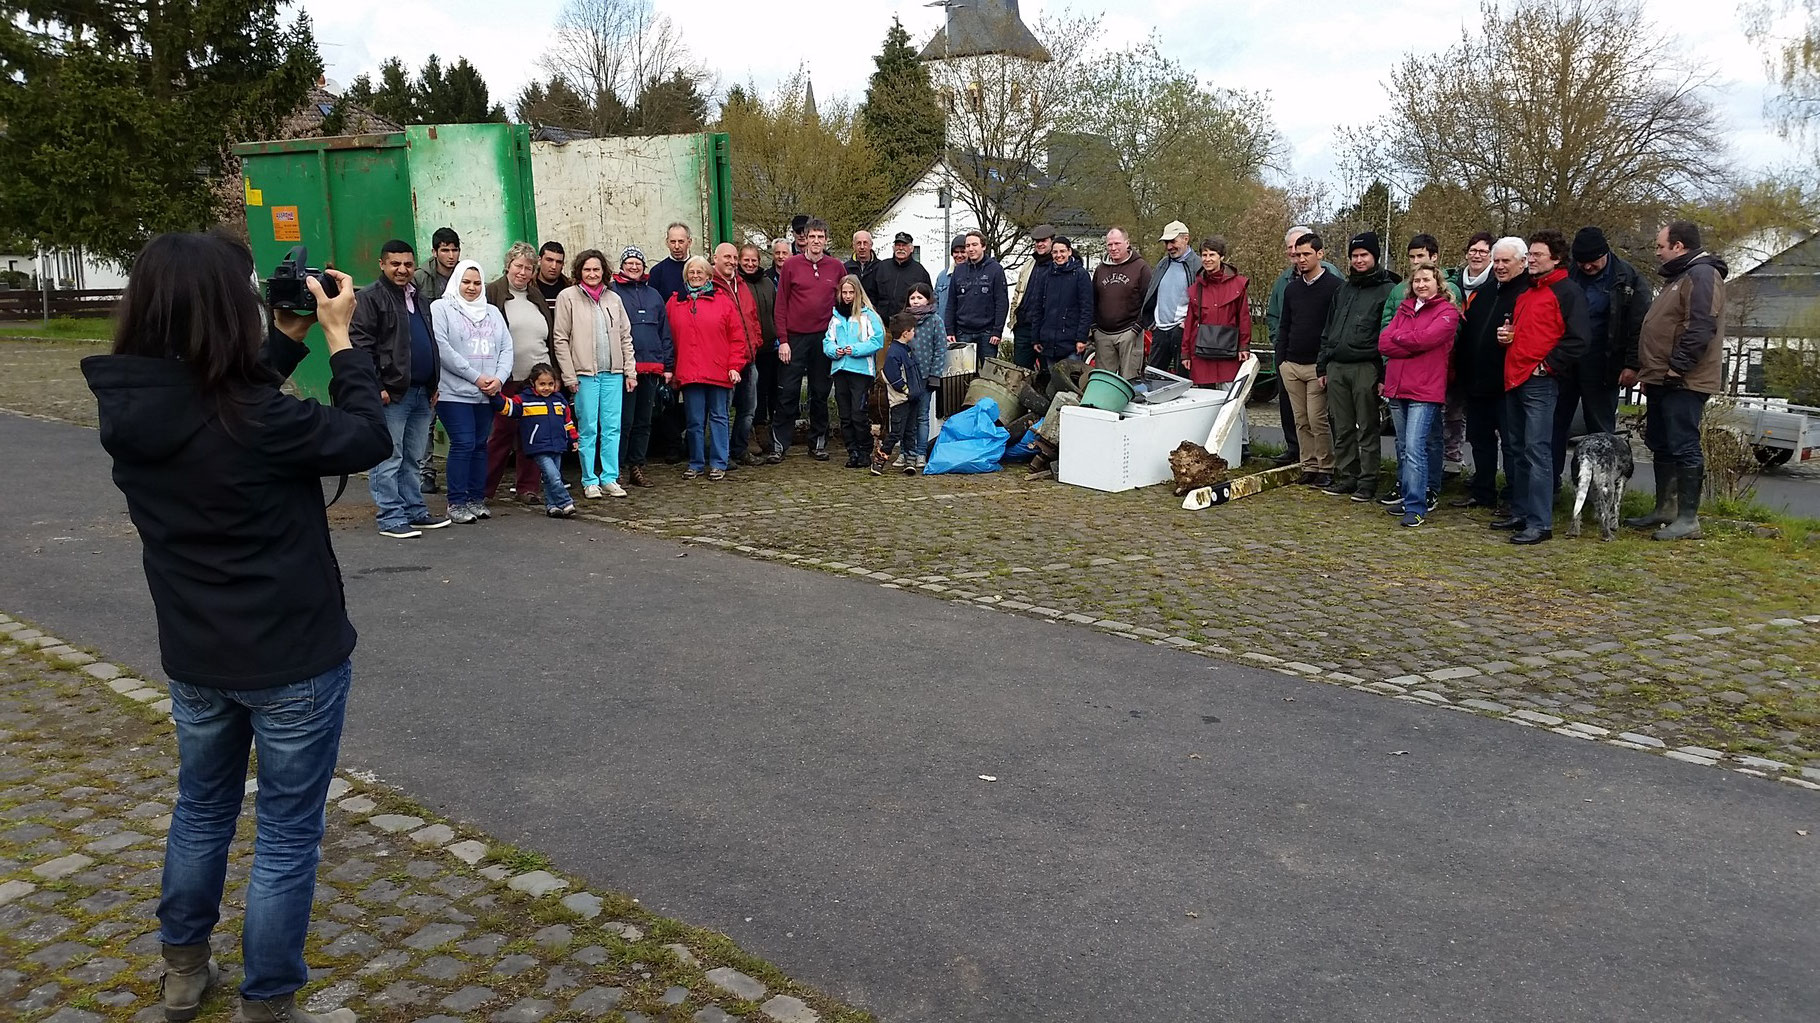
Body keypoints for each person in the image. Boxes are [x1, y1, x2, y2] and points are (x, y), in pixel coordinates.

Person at [83, 233, 390, 1023]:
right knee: (287, 835)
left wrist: (283, 344)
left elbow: (216, 406)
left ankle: (183, 971)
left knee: (202, 807)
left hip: (197, 650)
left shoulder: (135, 407)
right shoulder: (259, 421)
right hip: (291, 653)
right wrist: (338, 339)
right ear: (224, 307)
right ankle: (270, 1001)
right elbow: (365, 437)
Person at [1624, 220, 1727, 541]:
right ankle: (1665, 509)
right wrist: (1651, 374)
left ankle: (1688, 518)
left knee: (1684, 445)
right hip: (1661, 379)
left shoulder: (1702, 275)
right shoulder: (1679, 277)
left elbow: (1700, 327)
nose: (1656, 252)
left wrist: (1675, 369)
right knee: (1662, 443)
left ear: (1678, 246)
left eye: (1660, 246)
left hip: (1684, 381)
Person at [1493, 228, 1590, 545]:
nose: (1531, 259)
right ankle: (1521, 512)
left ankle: (1540, 522)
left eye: (1537, 255)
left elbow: (1578, 339)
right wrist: (1507, 337)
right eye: (1530, 254)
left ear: (1556, 258)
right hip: (1514, 378)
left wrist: (1547, 366)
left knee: (1537, 452)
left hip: (1539, 383)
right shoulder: (1526, 293)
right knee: (1518, 450)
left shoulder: (1567, 292)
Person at [350, 238, 450, 538]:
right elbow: (361, 344)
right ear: (382, 264)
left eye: (407, 264)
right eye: (395, 263)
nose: (402, 269)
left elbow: (429, 341)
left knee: (413, 457)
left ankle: (414, 510)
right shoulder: (370, 298)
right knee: (388, 456)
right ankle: (391, 517)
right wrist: (376, 385)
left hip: (422, 391)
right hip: (392, 393)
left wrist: (434, 383)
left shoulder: (418, 297)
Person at [1558, 225, 1651, 486]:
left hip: (1604, 364)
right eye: (1582, 262)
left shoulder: (1628, 279)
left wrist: (1633, 364)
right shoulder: (1567, 274)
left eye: (1592, 262)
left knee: (1600, 431)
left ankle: (1601, 490)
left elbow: (1639, 326)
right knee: (1555, 427)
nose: (1587, 267)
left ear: (1605, 253)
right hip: (1566, 362)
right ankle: (1550, 487)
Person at [1373, 234, 1461, 507]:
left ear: (1438, 283)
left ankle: (1419, 500)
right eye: (1417, 280)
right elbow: (1384, 342)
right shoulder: (1405, 308)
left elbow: (1429, 340)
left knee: (1417, 447)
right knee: (1404, 446)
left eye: (1427, 280)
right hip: (1398, 385)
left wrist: (1404, 340)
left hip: (1425, 388)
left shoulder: (1447, 311)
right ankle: (1409, 492)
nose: (1421, 284)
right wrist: (1409, 341)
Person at [1317, 231, 1399, 501]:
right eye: (1354, 256)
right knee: (1341, 426)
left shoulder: (1388, 290)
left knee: (1367, 426)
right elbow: (1328, 329)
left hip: (1366, 365)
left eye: (1364, 255)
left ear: (1375, 256)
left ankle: (1368, 479)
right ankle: (1347, 475)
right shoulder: (1344, 289)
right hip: (1337, 366)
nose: (1359, 260)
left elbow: (1388, 332)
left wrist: (1383, 373)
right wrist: (1323, 365)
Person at [432, 259, 512, 524]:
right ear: (457, 281)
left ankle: (476, 499)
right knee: (463, 443)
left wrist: (499, 379)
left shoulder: (492, 312)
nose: (472, 287)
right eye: (466, 282)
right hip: (454, 393)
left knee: (480, 445)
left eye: (477, 283)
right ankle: (456, 502)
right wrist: (476, 377)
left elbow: (506, 349)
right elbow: (443, 349)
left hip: (487, 394)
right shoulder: (441, 308)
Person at [552, 249, 637, 499]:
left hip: (613, 373)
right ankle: (589, 479)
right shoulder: (567, 297)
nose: (592, 274)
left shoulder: (614, 299)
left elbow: (625, 337)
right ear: (579, 271)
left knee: (612, 427)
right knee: (588, 428)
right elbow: (560, 339)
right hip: (584, 375)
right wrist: (569, 376)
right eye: (587, 269)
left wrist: (630, 371)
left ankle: (610, 477)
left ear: (604, 272)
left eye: (596, 269)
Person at [1452, 236, 1528, 510]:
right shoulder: (1486, 291)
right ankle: (1483, 491)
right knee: (1479, 440)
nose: (1499, 266)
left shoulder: (1526, 293)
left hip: (1507, 383)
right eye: (1496, 261)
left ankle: (1512, 497)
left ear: (1523, 262)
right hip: (1477, 380)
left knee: (1511, 444)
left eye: (1505, 261)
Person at [484, 242, 557, 505]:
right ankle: (484, 488)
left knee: (533, 433)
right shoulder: (493, 292)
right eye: (518, 266)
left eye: (528, 268)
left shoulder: (535, 295)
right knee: (501, 434)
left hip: (536, 378)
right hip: (507, 378)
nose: (523, 272)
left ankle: (528, 488)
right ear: (508, 266)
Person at [668, 255, 748, 480]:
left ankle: (719, 462)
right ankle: (695, 462)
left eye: (699, 272)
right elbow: (668, 339)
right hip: (690, 371)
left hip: (719, 370)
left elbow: (737, 338)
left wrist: (735, 366)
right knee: (694, 421)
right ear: (686, 275)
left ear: (708, 276)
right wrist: (671, 369)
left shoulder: (723, 301)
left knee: (719, 417)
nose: (695, 276)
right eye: (691, 272)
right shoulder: (675, 302)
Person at [772, 217, 843, 461]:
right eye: (811, 236)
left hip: (824, 338)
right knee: (788, 391)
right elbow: (780, 305)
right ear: (804, 239)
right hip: (795, 338)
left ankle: (818, 443)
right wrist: (783, 339)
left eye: (820, 237)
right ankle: (780, 444)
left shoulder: (836, 267)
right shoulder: (791, 265)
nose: (815, 241)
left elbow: (846, 301)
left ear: (826, 240)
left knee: (820, 392)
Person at [1265, 225, 1337, 468]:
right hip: (1291, 364)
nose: (1301, 259)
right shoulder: (1291, 288)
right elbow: (1283, 324)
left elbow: (1334, 329)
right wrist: (1282, 360)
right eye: (1297, 255)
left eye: (1306, 254)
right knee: (1301, 419)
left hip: (1317, 365)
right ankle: (1308, 464)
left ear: (1320, 254)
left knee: (1318, 419)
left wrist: (1325, 364)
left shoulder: (1334, 286)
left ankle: (1326, 466)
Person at [611, 246, 674, 489]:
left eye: (638, 263)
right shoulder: (613, 293)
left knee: (644, 421)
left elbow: (664, 331)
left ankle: (637, 466)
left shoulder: (654, 295)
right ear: (622, 265)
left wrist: (667, 365)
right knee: (623, 421)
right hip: (626, 368)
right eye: (630, 263)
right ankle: (614, 469)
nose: (634, 267)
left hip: (652, 367)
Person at [492, 363, 579, 518]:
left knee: (549, 477)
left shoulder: (559, 400)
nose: (546, 388)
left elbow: (567, 422)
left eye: (550, 384)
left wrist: (573, 438)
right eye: (542, 384)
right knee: (554, 476)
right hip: (538, 446)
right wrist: (495, 395)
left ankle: (552, 505)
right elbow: (508, 407)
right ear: (533, 383)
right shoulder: (524, 400)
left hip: (557, 445)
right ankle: (565, 501)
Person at [825, 273, 887, 468]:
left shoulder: (868, 315)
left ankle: (864, 450)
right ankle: (852, 451)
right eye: (844, 292)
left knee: (857, 413)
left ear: (858, 293)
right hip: (840, 369)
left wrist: (855, 350)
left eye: (851, 292)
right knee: (844, 415)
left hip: (860, 371)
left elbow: (877, 340)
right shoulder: (835, 317)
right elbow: (827, 342)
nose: (848, 296)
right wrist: (835, 351)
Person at [713, 242, 766, 467]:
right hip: (725, 360)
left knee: (748, 409)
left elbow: (752, 317)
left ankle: (739, 449)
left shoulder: (741, 284)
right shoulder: (711, 286)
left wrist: (756, 342)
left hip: (748, 358)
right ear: (715, 258)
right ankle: (721, 454)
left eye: (734, 258)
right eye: (727, 257)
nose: (731, 262)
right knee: (722, 411)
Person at [1181, 236, 1250, 386]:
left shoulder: (1238, 284)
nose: (1207, 259)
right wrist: (1185, 353)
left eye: (1212, 254)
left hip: (1230, 352)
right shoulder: (1195, 289)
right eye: (1204, 255)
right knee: (1205, 400)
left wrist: (1244, 346)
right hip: (1201, 353)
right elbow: (1189, 323)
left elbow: (1244, 318)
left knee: (1232, 400)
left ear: (1222, 257)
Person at [1089, 227, 1153, 379]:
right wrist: (1094, 328)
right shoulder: (1100, 269)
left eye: (1117, 243)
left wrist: (1137, 327)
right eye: (1109, 245)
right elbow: (1092, 299)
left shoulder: (1141, 267)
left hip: (1129, 332)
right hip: (1103, 334)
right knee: (1104, 381)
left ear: (1127, 243)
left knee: (1131, 381)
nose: (1113, 248)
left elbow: (1148, 300)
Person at [1027, 235, 1093, 368]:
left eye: (1062, 251)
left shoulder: (1080, 275)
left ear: (1069, 251)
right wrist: (1036, 338)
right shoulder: (1046, 276)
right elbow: (1038, 308)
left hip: (1071, 343)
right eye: (1055, 252)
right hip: (1049, 342)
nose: (1059, 255)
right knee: (1055, 381)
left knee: (1071, 383)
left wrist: (1082, 338)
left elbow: (1087, 308)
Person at [739, 243, 781, 448]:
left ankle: (764, 430)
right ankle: (749, 433)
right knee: (749, 392)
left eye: (753, 260)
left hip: (768, 346)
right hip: (747, 349)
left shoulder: (767, 283)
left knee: (765, 389)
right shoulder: (737, 284)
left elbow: (775, 311)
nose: (750, 263)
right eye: (746, 260)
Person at [875, 311, 925, 476]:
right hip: (901, 400)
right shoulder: (895, 352)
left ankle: (909, 461)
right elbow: (892, 376)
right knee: (896, 431)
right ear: (905, 333)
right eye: (912, 330)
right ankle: (880, 459)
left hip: (912, 399)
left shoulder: (906, 349)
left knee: (910, 431)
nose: (914, 332)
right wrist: (906, 390)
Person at [1142, 220, 1196, 373]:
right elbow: (1152, 293)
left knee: (1183, 379)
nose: (1169, 247)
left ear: (1186, 239)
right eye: (1166, 242)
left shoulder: (1197, 266)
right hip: (1160, 330)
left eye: (1172, 241)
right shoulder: (1163, 264)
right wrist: (1152, 323)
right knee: (1153, 377)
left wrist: (1188, 323)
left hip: (1182, 331)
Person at [905, 282, 944, 469]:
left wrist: (935, 375)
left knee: (922, 416)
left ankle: (921, 453)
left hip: (925, 377)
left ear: (928, 299)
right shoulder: (903, 320)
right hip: (906, 378)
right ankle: (907, 452)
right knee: (906, 417)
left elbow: (940, 349)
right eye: (912, 298)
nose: (916, 301)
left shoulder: (936, 321)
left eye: (919, 297)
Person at [1009, 224, 1056, 368]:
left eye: (1044, 241)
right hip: (1024, 327)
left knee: (1047, 373)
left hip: (1046, 328)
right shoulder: (1029, 264)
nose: (1040, 244)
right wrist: (1014, 318)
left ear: (1052, 241)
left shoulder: (1058, 265)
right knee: (1020, 372)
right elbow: (1018, 293)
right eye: (1037, 241)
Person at [873, 230, 933, 323]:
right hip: (882, 325)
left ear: (911, 248)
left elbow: (929, 300)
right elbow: (872, 293)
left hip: (908, 326)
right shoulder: (881, 267)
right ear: (893, 248)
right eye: (898, 245)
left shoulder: (920, 271)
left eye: (904, 245)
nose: (900, 248)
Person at [649, 222, 693, 303]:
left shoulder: (699, 269)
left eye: (681, 242)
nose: (676, 246)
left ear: (689, 242)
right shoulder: (657, 271)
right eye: (673, 242)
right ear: (667, 242)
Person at [412, 226, 460, 300]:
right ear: (434, 252)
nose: (451, 256)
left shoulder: (464, 273)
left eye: (454, 250)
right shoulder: (420, 277)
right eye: (445, 251)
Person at [845, 229, 883, 307]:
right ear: (853, 246)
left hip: (874, 313)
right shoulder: (845, 268)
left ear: (871, 245)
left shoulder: (881, 267)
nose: (862, 247)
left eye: (865, 243)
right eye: (859, 243)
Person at [934, 234, 967, 323]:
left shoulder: (975, 275)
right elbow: (935, 302)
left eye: (963, 251)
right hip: (944, 328)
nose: (959, 255)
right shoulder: (942, 276)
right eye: (956, 252)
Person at [534, 241, 569, 305]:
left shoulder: (570, 288)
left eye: (559, 262)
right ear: (539, 260)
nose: (554, 266)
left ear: (563, 264)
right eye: (549, 260)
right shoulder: (528, 286)